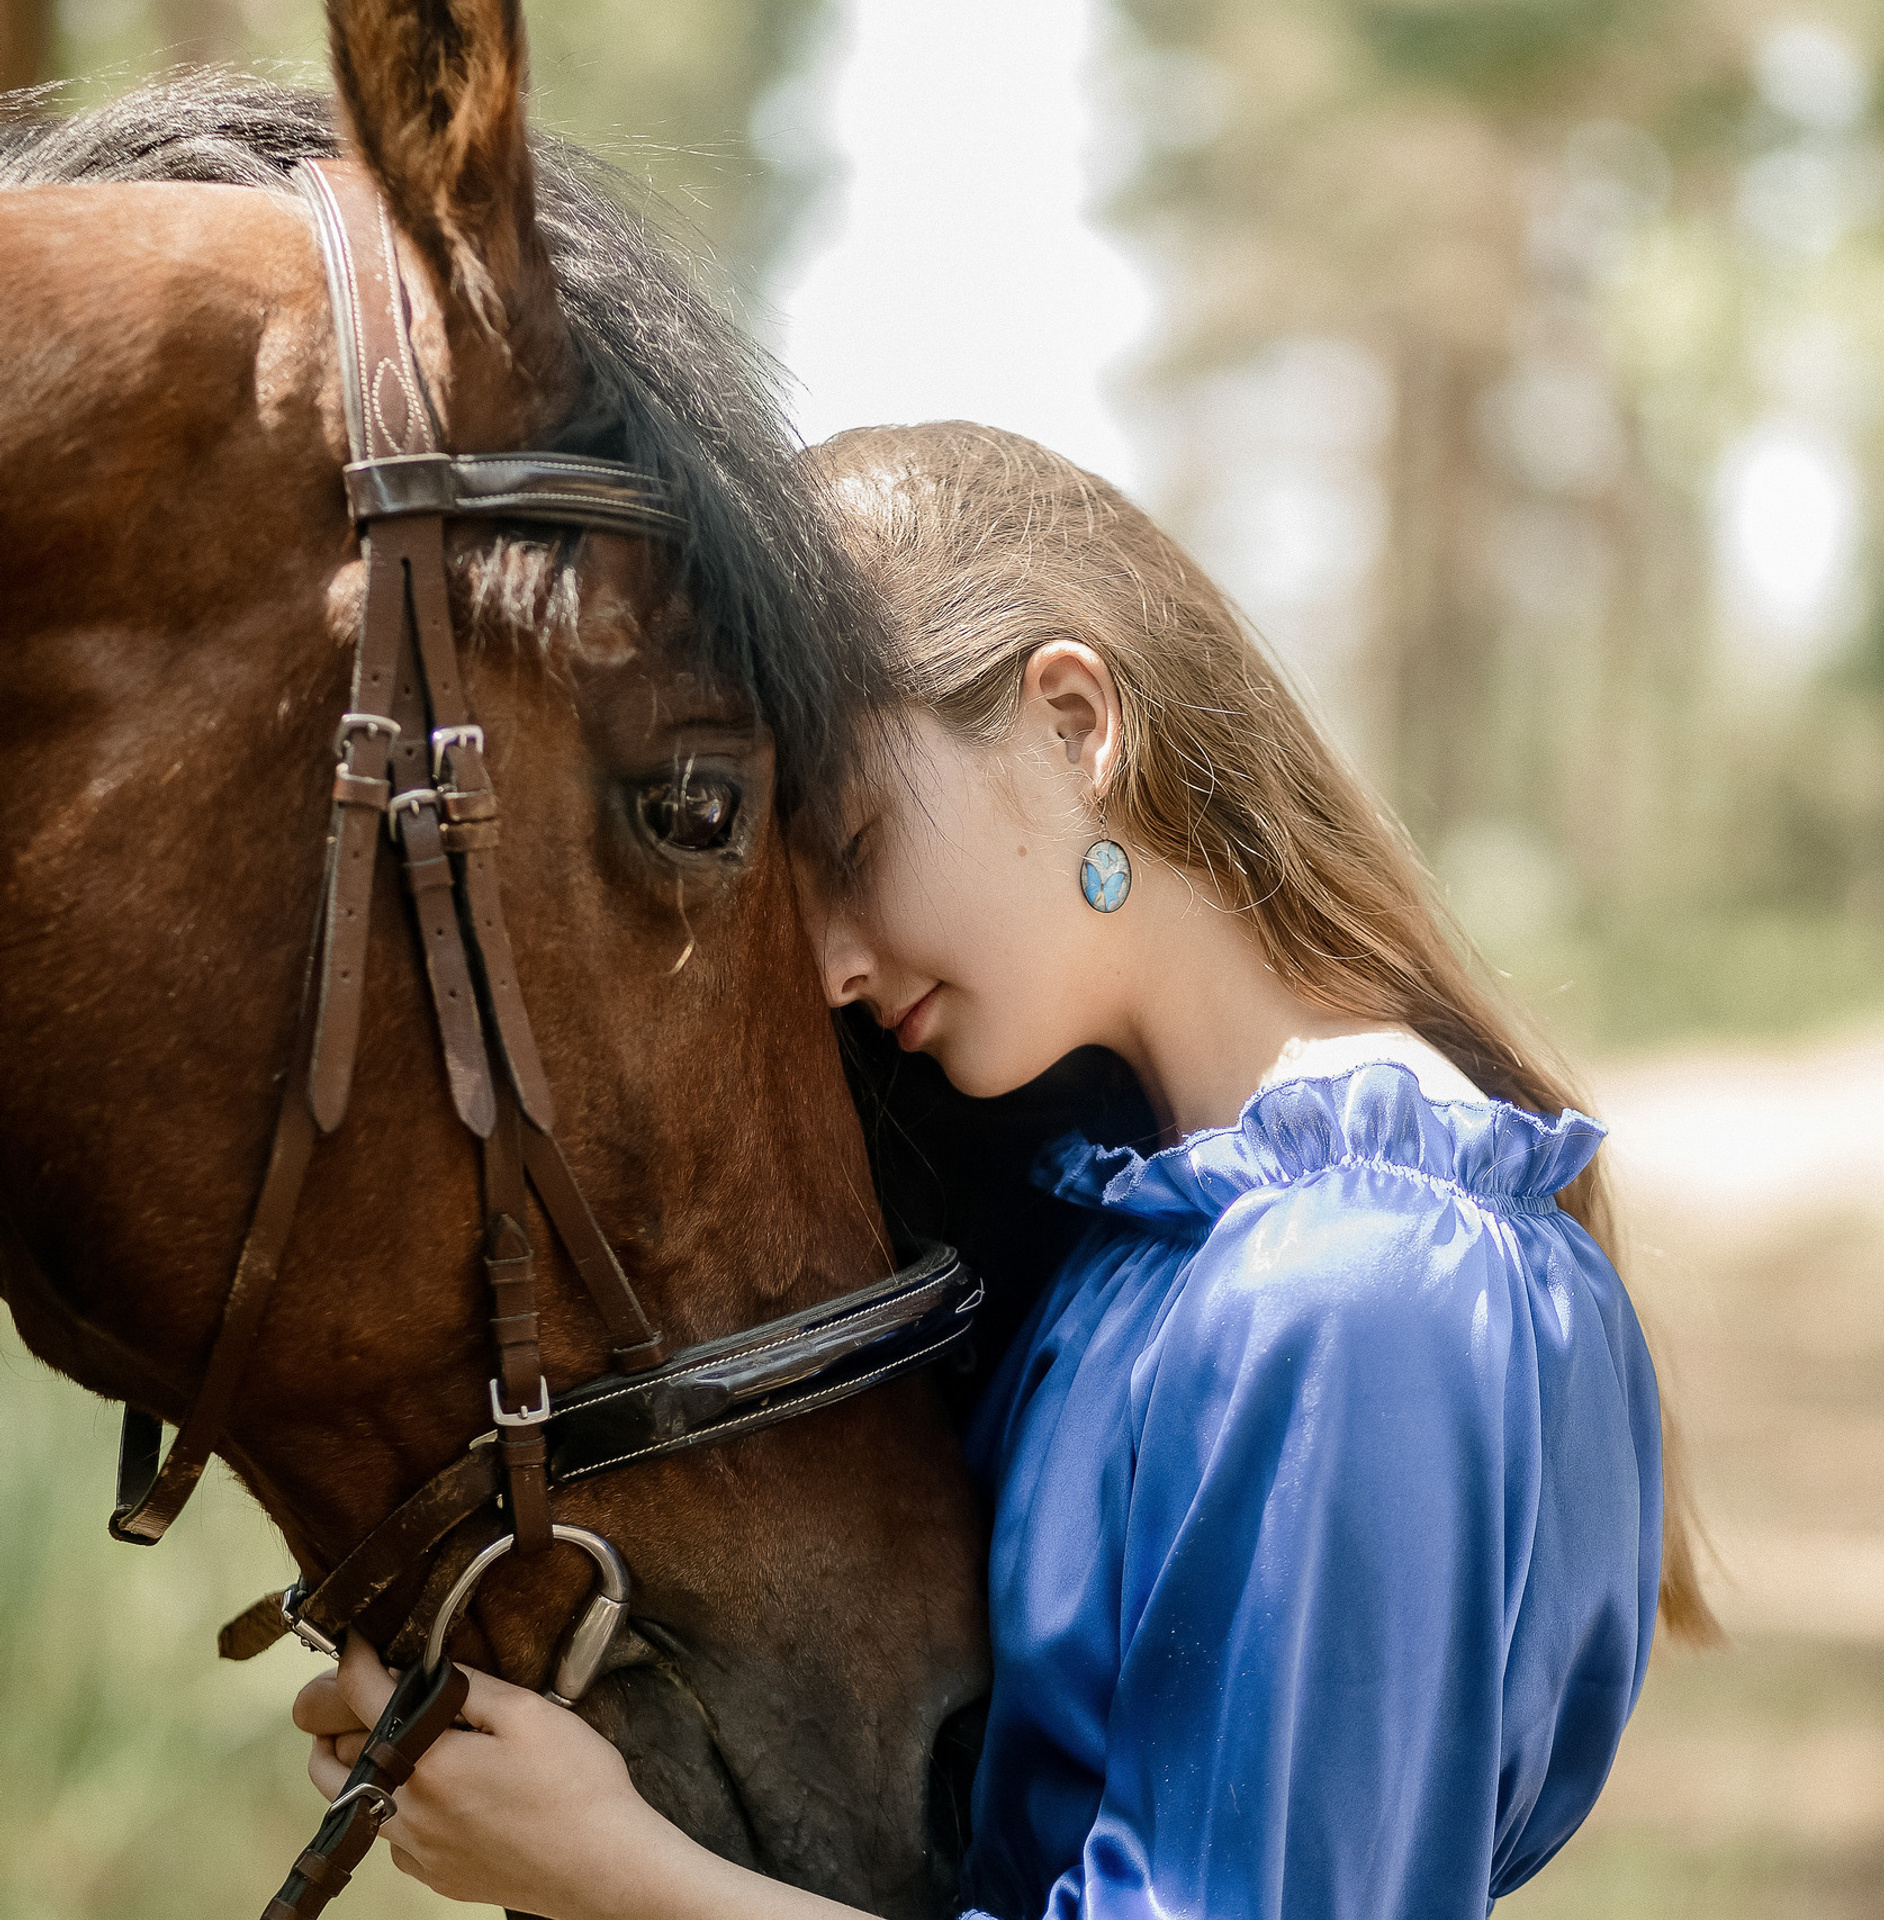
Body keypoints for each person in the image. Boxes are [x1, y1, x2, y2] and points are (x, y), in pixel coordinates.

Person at [295, 421, 1714, 1919]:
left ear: (1074, 721)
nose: (831, 964)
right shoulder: (1144, 1238)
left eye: (846, 840)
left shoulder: (1359, 1294)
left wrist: (614, 1876)